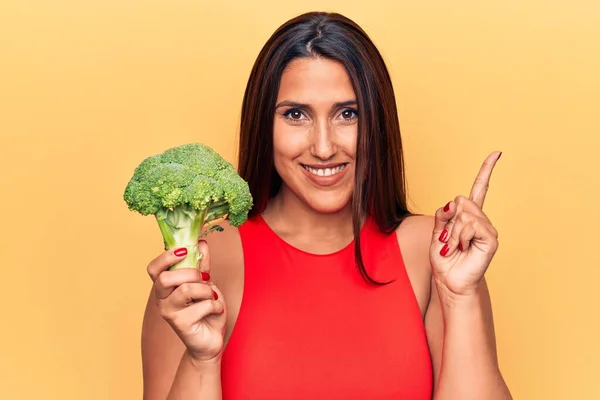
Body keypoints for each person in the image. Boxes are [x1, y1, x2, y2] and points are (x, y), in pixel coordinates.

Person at [140, 11, 513, 400]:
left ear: (378, 122)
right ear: (263, 124)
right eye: (296, 114)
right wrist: (201, 360)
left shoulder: (435, 252)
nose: (323, 147)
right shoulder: (200, 265)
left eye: (347, 114)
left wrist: (460, 297)